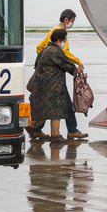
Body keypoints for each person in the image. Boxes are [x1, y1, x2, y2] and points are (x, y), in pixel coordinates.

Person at [31, 9, 88, 140]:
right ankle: (70, 130)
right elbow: (64, 54)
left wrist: (46, 62)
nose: (72, 24)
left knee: (49, 104)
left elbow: (39, 47)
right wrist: (77, 63)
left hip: (48, 77)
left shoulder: (53, 31)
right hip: (53, 80)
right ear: (66, 19)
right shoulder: (60, 35)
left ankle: (37, 129)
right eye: (72, 21)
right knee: (62, 104)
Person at [27, 28, 78, 144]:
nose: (65, 42)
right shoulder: (55, 51)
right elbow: (65, 65)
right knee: (56, 109)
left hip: (41, 87)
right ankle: (55, 135)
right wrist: (76, 69)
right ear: (59, 40)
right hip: (52, 87)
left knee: (46, 111)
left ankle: (31, 126)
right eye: (64, 39)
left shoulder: (45, 50)